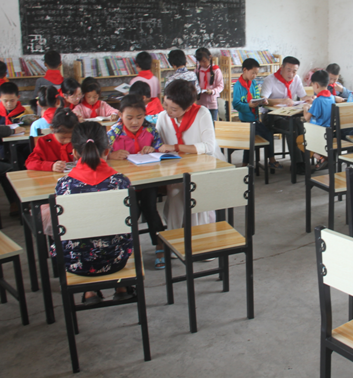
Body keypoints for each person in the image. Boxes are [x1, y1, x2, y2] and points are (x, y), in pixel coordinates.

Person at [49, 121, 134, 305]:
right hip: (116, 259)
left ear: (74, 153)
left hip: (74, 263)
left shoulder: (64, 185)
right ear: (107, 151)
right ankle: (121, 287)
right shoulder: (121, 182)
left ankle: (89, 292)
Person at [156, 79, 226, 231]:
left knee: (195, 192)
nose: (168, 111)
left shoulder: (202, 113)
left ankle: (199, 235)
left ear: (187, 108)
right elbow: (157, 144)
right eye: (165, 104)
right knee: (174, 192)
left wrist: (175, 147)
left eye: (173, 109)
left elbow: (208, 147)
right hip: (178, 168)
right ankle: (174, 235)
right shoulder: (162, 117)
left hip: (205, 167)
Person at [107, 94, 167, 267]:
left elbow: (160, 148)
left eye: (139, 117)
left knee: (150, 209)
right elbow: (100, 154)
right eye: (129, 117)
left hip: (148, 179)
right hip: (125, 183)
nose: (135, 122)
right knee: (130, 214)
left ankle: (160, 245)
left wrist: (153, 149)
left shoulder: (151, 130)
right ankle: (128, 248)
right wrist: (111, 155)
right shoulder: (114, 132)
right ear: (120, 115)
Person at [260, 56, 312, 175]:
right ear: (281, 68)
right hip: (271, 116)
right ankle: (297, 164)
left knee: (301, 125)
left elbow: (303, 96)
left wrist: (309, 99)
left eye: (294, 71)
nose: (291, 74)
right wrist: (282, 100)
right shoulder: (270, 80)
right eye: (288, 70)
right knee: (292, 127)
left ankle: (304, 161)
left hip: (289, 114)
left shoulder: (296, 79)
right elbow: (263, 100)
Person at [231, 58, 282, 170]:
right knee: (268, 134)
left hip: (254, 118)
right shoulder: (238, 86)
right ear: (245, 70)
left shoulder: (253, 83)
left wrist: (262, 101)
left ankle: (245, 164)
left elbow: (257, 96)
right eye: (253, 73)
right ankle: (271, 160)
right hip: (246, 120)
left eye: (256, 73)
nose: (254, 76)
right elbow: (236, 104)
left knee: (255, 137)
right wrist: (248, 105)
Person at [303, 70, 336, 170]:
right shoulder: (332, 98)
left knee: (300, 140)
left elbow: (306, 117)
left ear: (316, 85)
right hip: (329, 133)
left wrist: (305, 108)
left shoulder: (318, 101)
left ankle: (320, 158)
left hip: (318, 134)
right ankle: (324, 157)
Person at [0, 81, 26, 161]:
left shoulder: (24, 112)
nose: (9, 104)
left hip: (22, 146)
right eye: (5, 101)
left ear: (18, 97)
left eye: (12, 100)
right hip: (3, 148)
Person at [195, 47, 224, 122]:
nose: (202, 64)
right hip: (200, 102)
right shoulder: (197, 70)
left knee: (212, 123)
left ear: (209, 57)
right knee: (201, 123)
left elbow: (220, 86)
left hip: (212, 103)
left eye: (204, 61)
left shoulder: (216, 70)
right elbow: (194, 84)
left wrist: (212, 91)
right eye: (200, 61)